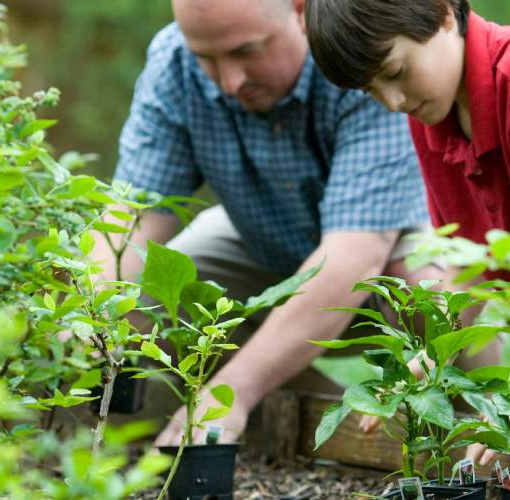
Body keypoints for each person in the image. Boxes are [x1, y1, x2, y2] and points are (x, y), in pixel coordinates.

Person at [91, 0, 441, 446]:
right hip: (261, 241)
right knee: (154, 296)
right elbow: (132, 217)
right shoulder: (174, 63)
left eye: (247, 51)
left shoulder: (358, 51)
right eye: (207, 58)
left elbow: (353, 257)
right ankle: (304, 418)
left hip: (388, 241)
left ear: (300, 10)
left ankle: (479, 435)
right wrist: (86, 316)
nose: (229, 81)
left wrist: (232, 392)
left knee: (434, 297)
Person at [305, 0, 510, 458]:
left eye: (396, 71)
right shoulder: (433, 117)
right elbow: (470, 262)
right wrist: (430, 358)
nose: (394, 102)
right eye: (371, 90)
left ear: (444, 12)